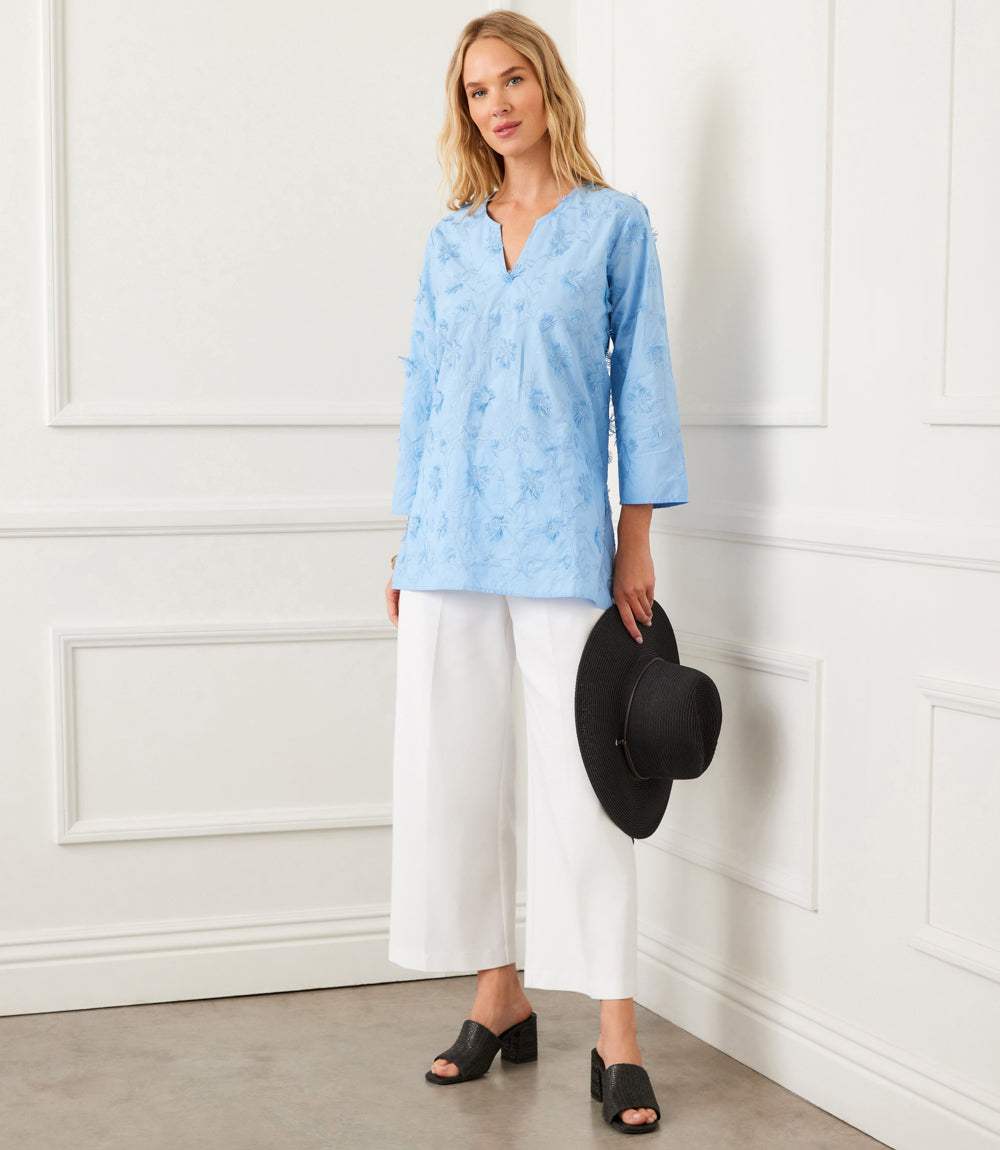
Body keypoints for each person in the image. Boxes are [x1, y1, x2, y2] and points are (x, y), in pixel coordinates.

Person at [383, 10, 687, 1134]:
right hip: (448, 540)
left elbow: (642, 382)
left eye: (512, 80)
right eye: (476, 91)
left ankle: (616, 1032)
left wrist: (635, 535)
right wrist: (406, 537)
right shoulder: (450, 241)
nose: (496, 104)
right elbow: (425, 389)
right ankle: (496, 994)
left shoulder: (614, 225)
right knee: (454, 769)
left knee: (585, 782)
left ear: (548, 87)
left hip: (563, 543)